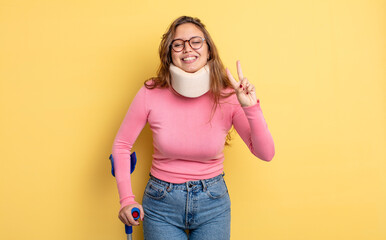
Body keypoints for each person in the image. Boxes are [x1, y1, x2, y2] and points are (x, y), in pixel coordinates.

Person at [112, 16, 275, 240]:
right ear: (170, 54)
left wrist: (251, 108)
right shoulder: (151, 92)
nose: (187, 48)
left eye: (196, 41)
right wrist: (126, 200)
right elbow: (122, 145)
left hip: (213, 203)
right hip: (161, 204)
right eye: (178, 44)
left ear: (209, 50)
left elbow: (266, 154)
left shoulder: (229, 95)